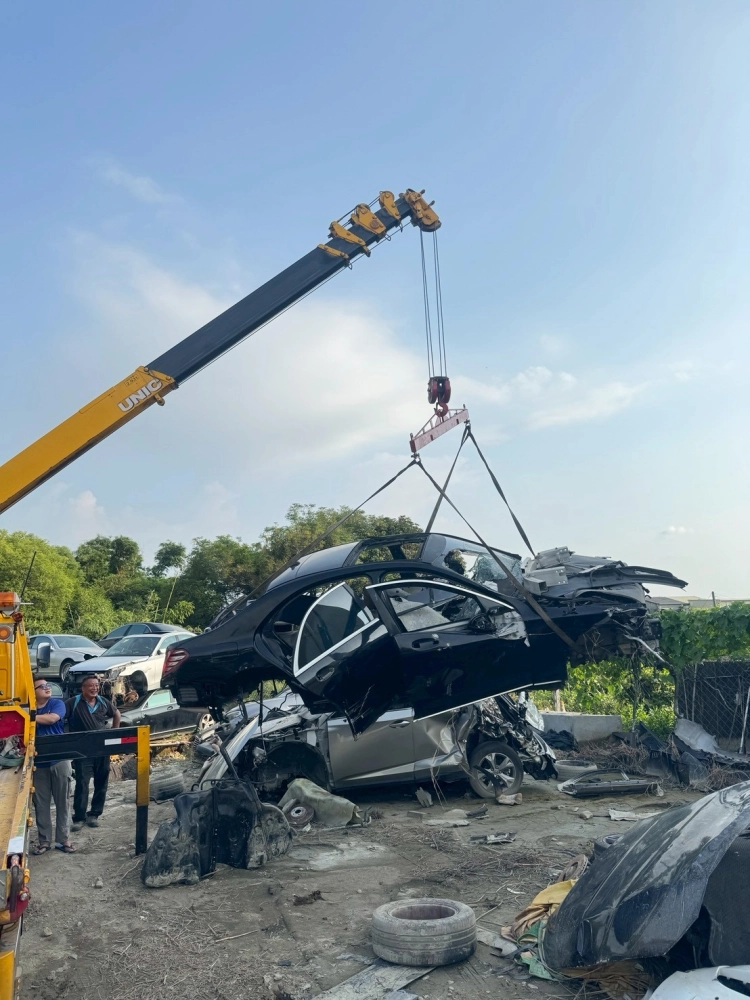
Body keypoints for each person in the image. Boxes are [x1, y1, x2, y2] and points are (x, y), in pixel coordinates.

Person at [65, 675, 121, 830]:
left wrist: (114, 733)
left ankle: (94, 814)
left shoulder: (103, 701)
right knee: (82, 782)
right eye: (91, 685)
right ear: (83, 688)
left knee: (101, 782)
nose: (95, 688)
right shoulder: (73, 702)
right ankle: (79, 817)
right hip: (82, 750)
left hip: (102, 749)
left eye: (97, 685)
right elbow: (60, 717)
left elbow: (117, 714)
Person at [32, 677, 75, 854]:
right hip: (38, 762)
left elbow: (52, 719)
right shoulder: (30, 706)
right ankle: (44, 841)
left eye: (48, 685)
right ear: (33, 691)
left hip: (59, 759)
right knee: (40, 804)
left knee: (63, 801)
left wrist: (30, 717)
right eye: (42, 686)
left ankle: (64, 840)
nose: (47, 688)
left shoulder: (57, 704)